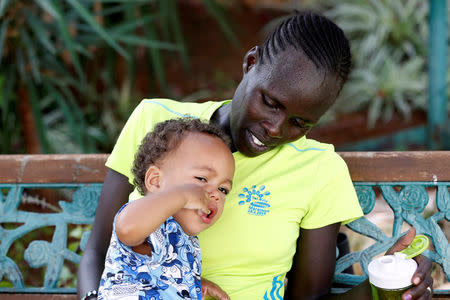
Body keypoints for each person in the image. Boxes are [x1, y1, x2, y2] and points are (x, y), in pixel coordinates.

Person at [78, 11, 433, 300]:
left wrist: (384, 282)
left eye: (300, 122)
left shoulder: (319, 170)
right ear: (251, 63)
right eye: (271, 102)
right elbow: (98, 250)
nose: (276, 128)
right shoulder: (153, 121)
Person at [97, 118, 234, 300]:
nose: (215, 194)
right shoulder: (148, 220)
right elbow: (127, 228)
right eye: (201, 179)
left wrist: (192, 283)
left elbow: (159, 276)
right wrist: (183, 195)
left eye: (223, 189)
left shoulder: (186, 240)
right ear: (155, 181)